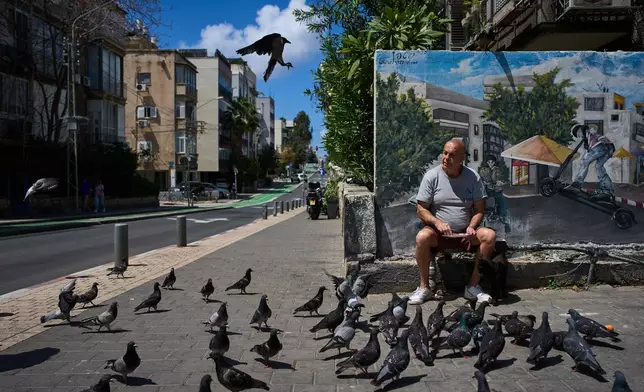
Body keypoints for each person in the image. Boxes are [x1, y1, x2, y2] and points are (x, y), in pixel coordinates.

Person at [410, 138, 496, 306]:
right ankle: (424, 287)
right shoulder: (432, 176)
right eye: (445, 153)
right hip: (439, 234)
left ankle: (473, 286)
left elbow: (479, 210)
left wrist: (472, 226)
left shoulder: (473, 177)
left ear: (461, 158)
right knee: (422, 237)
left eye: (452, 155)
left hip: (465, 234)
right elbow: (421, 209)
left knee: (489, 235)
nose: (446, 158)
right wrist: (437, 223)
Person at [564, 124, 615, 200]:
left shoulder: (586, 131)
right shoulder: (588, 136)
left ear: (579, 130)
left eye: (578, 135)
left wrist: (585, 138)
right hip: (609, 147)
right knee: (599, 167)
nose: (579, 137)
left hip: (599, 145)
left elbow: (589, 130)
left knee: (584, 161)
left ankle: (576, 185)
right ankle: (607, 191)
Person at [478, 155, 509, 222]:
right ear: (487, 162)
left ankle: (504, 218)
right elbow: (481, 178)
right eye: (489, 162)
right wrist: (484, 182)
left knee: (501, 200)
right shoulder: (484, 170)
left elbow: (500, 179)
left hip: (496, 189)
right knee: (481, 200)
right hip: (487, 189)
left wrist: (500, 182)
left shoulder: (498, 170)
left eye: (492, 162)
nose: (490, 163)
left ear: (494, 162)